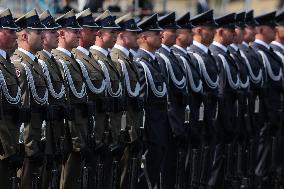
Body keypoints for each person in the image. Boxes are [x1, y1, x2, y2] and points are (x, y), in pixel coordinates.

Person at [52, 9, 89, 189]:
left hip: (78, 127)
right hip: (67, 130)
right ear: (61, 33)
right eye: (74, 31)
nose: (78, 34)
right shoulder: (57, 61)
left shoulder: (74, 60)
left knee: (73, 178)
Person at [11, 8, 48, 189]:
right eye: (39, 32)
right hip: (28, 145)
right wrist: (29, 147)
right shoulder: (20, 65)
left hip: (39, 140)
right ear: (25, 37)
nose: (43, 36)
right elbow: (23, 112)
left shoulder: (36, 64)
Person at [90, 10, 123, 189]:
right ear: (100, 34)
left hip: (111, 130)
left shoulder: (110, 60)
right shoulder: (95, 59)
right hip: (99, 132)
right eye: (112, 32)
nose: (115, 36)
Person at [134, 13, 169, 189]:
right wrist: (144, 134)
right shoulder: (141, 63)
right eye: (156, 34)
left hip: (160, 129)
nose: (161, 35)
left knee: (154, 176)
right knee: (145, 178)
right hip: (151, 132)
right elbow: (141, 103)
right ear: (145, 38)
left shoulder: (155, 62)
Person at [155, 11, 188, 189]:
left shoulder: (172, 56)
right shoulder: (161, 58)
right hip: (168, 122)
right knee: (165, 169)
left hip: (176, 121)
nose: (174, 33)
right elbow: (166, 95)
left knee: (174, 169)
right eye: (170, 30)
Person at [110, 13, 143, 189]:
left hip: (132, 128)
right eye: (133, 33)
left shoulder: (128, 59)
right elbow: (121, 103)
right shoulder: (117, 59)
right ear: (121, 35)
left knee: (129, 176)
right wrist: (128, 131)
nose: (137, 36)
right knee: (121, 177)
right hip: (124, 130)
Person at [208, 12, 239, 189]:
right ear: (220, 32)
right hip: (220, 118)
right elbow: (220, 93)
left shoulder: (225, 54)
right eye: (230, 30)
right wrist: (224, 120)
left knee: (225, 158)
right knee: (216, 160)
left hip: (229, 116)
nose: (234, 33)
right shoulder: (217, 55)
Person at [252, 11, 283, 188]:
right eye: (272, 27)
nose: (275, 29)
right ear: (262, 29)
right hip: (265, 114)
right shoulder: (258, 52)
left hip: (273, 115)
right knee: (262, 162)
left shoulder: (268, 52)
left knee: (272, 160)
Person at [189, 9, 219, 188]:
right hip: (197, 116)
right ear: (199, 31)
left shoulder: (208, 55)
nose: (214, 32)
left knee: (207, 160)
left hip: (209, 116)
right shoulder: (193, 55)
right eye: (210, 29)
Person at [36, 10, 65, 189]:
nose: (57, 35)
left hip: (55, 131)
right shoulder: (40, 62)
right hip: (42, 133)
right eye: (52, 32)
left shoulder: (52, 61)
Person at [0, 8, 23, 189]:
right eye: (10, 31)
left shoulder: (8, 62)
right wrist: (9, 150)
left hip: (11, 145)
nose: (16, 35)